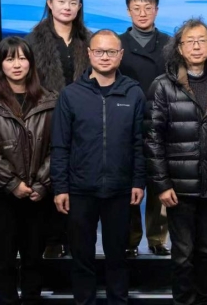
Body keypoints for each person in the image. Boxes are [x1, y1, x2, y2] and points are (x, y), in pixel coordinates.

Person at [51, 29, 146, 305]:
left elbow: (139, 143)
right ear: (89, 54)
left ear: (121, 55)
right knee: (82, 257)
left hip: (120, 189)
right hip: (80, 189)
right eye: (99, 51)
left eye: (111, 51)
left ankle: (118, 300)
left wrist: (138, 181)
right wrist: (60, 187)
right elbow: (60, 145)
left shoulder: (134, 93)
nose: (105, 57)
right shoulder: (71, 94)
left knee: (118, 256)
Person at [145, 18, 207, 304]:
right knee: (183, 255)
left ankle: (203, 298)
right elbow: (152, 139)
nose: (196, 46)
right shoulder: (163, 86)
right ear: (179, 48)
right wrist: (161, 184)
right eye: (190, 41)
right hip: (178, 189)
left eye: (202, 41)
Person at [0, 37, 58, 304]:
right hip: (1, 196)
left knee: (34, 258)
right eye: (10, 59)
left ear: (31, 62)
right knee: (4, 259)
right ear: (1, 64)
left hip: (38, 194)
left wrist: (41, 184)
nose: (17, 64)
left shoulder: (50, 100)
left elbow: (58, 148)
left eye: (22, 58)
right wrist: (13, 184)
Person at [26, 0, 91, 259]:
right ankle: (51, 240)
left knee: (78, 184)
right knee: (47, 178)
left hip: (82, 122)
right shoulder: (32, 41)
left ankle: (73, 239)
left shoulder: (88, 41)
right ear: (50, 3)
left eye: (73, 2)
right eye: (61, 1)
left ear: (79, 7)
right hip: (45, 121)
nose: (67, 7)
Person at [118, 0, 171, 257]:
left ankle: (157, 238)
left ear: (156, 11)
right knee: (130, 184)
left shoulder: (170, 44)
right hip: (126, 122)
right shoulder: (118, 44)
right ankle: (130, 240)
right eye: (136, 8)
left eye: (148, 8)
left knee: (159, 180)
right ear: (128, 11)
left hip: (162, 123)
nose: (142, 13)